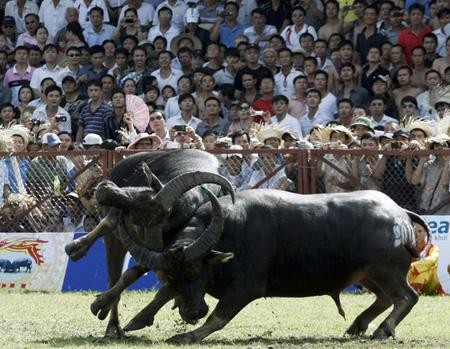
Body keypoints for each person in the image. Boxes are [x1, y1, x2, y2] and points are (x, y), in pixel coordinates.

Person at [407, 221, 446, 295]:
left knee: (425, 271)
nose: (417, 234)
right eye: (414, 231)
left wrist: (412, 267)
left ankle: (413, 293)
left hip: (430, 285)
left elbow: (432, 260)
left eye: (420, 231)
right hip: (408, 280)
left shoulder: (433, 248)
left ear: (426, 233)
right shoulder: (406, 248)